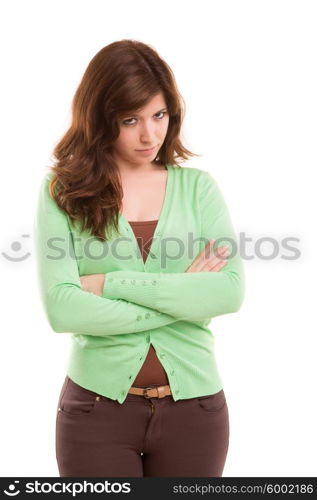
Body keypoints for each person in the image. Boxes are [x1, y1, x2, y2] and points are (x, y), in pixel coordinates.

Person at [34, 39, 245, 477]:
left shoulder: (198, 188)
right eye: (130, 120)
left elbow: (228, 293)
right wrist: (182, 298)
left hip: (197, 413)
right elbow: (62, 308)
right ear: (99, 117)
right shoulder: (63, 191)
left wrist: (109, 284)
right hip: (95, 413)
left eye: (159, 115)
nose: (149, 135)